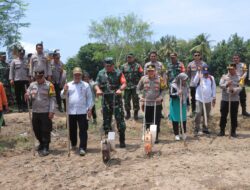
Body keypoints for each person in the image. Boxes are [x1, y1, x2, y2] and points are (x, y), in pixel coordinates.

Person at [95, 57, 127, 148]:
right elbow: (96, 83)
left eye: (109, 66)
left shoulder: (118, 72)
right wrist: (98, 90)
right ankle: (110, 141)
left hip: (116, 100)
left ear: (113, 65)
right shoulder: (101, 73)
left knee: (120, 120)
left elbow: (124, 83)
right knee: (107, 121)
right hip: (105, 100)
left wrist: (120, 89)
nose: (108, 67)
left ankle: (122, 140)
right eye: (106, 65)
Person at [61, 67, 92, 156]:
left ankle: (82, 148)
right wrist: (65, 90)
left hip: (82, 111)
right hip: (71, 112)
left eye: (79, 74)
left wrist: (89, 109)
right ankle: (74, 144)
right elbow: (62, 96)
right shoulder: (68, 85)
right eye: (75, 74)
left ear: (81, 75)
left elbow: (89, 98)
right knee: (72, 130)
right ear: (73, 75)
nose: (77, 76)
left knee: (83, 130)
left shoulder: (85, 85)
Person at [25, 69, 56, 156]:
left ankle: (46, 146)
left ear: (43, 76)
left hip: (45, 111)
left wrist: (51, 111)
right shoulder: (32, 85)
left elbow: (52, 99)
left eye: (40, 77)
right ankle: (41, 143)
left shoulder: (49, 85)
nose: (38, 79)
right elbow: (29, 96)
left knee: (45, 130)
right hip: (35, 111)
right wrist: (27, 95)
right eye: (37, 77)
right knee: (36, 129)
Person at [137, 65, 166, 143]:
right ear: (147, 71)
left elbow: (164, 90)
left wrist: (160, 97)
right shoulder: (143, 78)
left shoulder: (160, 79)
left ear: (155, 71)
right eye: (149, 71)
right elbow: (138, 88)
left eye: (152, 70)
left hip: (157, 104)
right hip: (147, 103)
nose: (150, 72)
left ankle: (155, 137)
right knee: (148, 121)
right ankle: (148, 136)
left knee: (156, 121)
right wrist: (140, 96)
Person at [218, 63, 242, 137]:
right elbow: (220, 85)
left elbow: (241, 87)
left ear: (235, 69)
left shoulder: (239, 77)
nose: (230, 70)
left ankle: (233, 131)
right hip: (225, 99)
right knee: (223, 116)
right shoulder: (224, 77)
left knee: (234, 116)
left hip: (234, 100)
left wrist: (234, 90)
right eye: (229, 69)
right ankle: (222, 131)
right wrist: (226, 84)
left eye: (231, 69)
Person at [193, 64, 216, 136]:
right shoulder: (199, 76)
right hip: (199, 98)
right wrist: (198, 73)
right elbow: (194, 82)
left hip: (208, 99)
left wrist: (214, 98)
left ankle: (205, 128)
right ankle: (197, 128)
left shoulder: (211, 78)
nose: (205, 74)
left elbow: (214, 88)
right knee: (198, 113)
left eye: (206, 73)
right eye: (204, 73)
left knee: (207, 115)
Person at [120, 53, 143, 120]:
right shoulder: (123, 66)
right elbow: (120, 76)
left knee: (136, 100)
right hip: (126, 87)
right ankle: (128, 114)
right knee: (126, 101)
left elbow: (141, 75)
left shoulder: (138, 66)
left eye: (130, 57)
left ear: (133, 58)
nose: (129, 58)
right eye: (128, 57)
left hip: (135, 87)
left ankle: (136, 114)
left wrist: (141, 85)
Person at [144, 51, 167, 118]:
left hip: (159, 83)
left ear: (156, 57)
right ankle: (151, 113)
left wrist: (164, 82)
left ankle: (159, 113)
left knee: (159, 98)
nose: (153, 57)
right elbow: (145, 74)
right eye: (152, 56)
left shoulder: (160, 64)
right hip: (150, 83)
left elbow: (164, 73)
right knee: (150, 98)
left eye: (154, 56)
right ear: (150, 57)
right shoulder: (146, 64)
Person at [169, 73, 189, 141]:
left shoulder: (186, 86)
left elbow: (187, 95)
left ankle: (183, 133)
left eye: (185, 80)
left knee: (183, 119)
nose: (185, 82)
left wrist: (188, 104)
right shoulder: (173, 85)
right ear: (180, 79)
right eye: (183, 80)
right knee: (175, 119)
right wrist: (178, 93)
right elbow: (171, 95)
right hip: (175, 104)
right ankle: (176, 134)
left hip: (183, 104)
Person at [187, 51, 206, 117]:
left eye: (198, 55)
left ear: (200, 56)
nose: (197, 56)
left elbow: (206, 73)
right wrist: (192, 80)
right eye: (195, 55)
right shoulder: (190, 64)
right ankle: (193, 111)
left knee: (202, 98)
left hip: (201, 84)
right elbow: (188, 74)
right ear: (193, 56)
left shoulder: (203, 64)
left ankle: (202, 112)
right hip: (193, 84)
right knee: (193, 98)